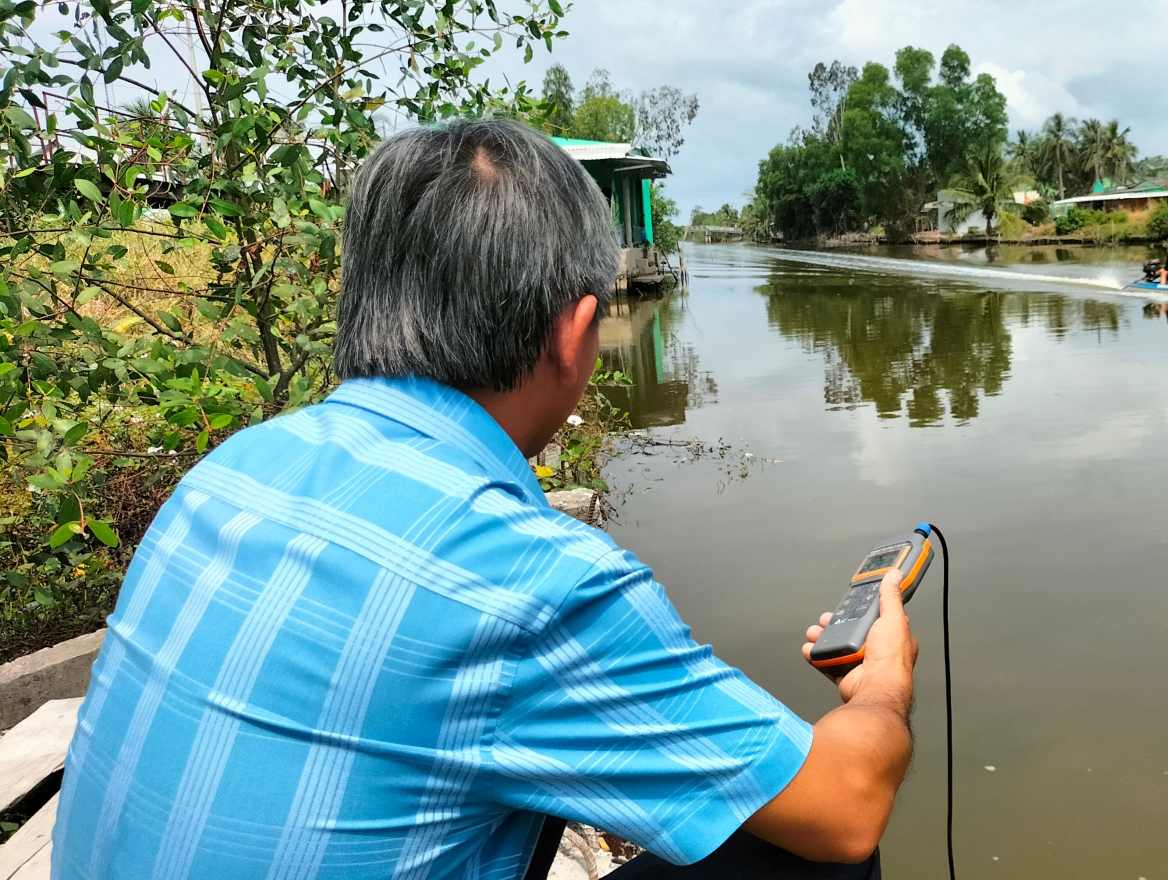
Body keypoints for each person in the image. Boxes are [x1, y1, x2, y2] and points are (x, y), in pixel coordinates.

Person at [52, 119, 917, 879]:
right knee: (812, 858)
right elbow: (847, 806)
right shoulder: (532, 581)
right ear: (574, 336)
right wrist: (880, 685)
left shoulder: (233, 469)